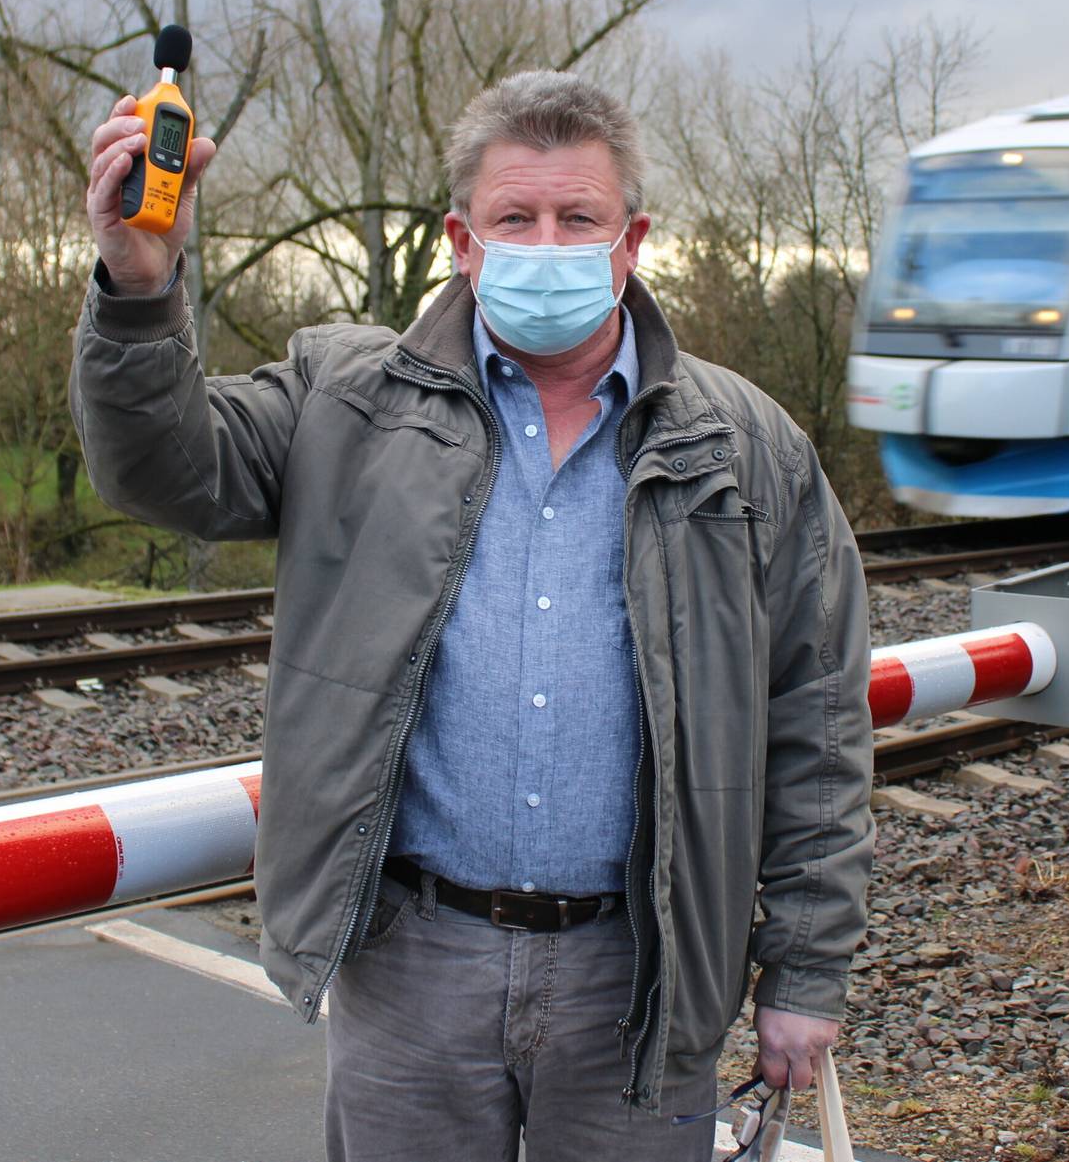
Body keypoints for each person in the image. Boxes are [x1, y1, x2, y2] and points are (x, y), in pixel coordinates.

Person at [70, 69, 873, 1161]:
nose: (548, 243)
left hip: (643, 976)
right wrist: (137, 283)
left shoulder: (748, 447)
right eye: (515, 218)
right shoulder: (345, 399)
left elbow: (819, 721)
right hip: (410, 966)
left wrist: (807, 970)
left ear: (631, 238)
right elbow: (162, 470)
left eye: (577, 218)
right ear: (462, 238)